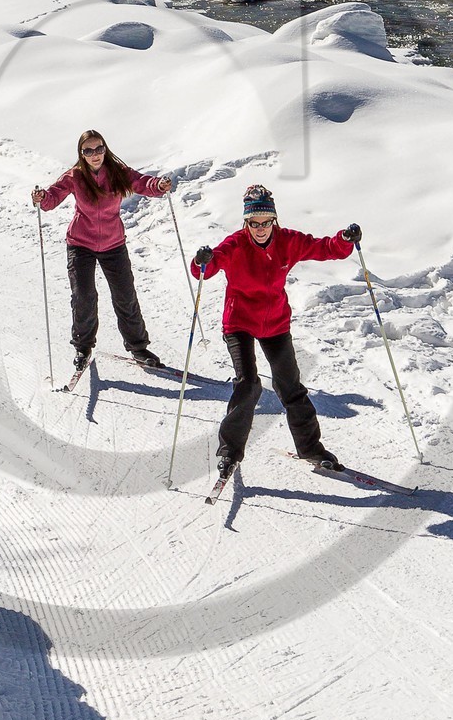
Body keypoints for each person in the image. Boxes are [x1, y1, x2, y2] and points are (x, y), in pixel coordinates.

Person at [191, 184, 361, 477]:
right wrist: (201, 260)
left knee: (290, 387)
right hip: (240, 322)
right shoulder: (235, 245)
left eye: (265, 222)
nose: (260, 229)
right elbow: (207, 268)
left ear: (274, 219)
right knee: (248, 384)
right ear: (246, 222)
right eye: (254, 223)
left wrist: (344, 239)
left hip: (275, 323)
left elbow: (325, 248)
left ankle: (310, 448)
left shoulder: (288, 241)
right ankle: (229, 451)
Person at [32, 130, 173, 372]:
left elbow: (141, 182)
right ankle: (83, 347)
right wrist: (42, 197)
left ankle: (138, 347)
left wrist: (158, 185)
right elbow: (53, 197)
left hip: (113, 244)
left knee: (125, 296)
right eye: (88, 151)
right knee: (84, 296)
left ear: (105, 149)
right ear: (81, 154)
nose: (95, 154)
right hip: (80, 244)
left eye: (99, 149)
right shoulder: (75, 176)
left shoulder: (117, 172)